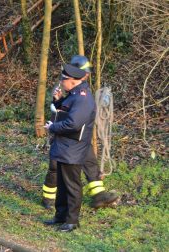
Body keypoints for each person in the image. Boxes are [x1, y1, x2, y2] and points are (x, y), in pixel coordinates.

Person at [41, 56, 118, 209]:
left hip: (80, 138)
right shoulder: (69, 84)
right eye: (85, 72)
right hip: (65, 137)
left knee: (90, 163)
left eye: (88, 73)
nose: (87, 75)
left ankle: (98, 195)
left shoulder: (81, 89)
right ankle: (49, 198)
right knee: (56, 166)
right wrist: (57, 101)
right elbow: (62, 113)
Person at [43, 62, 96, 232]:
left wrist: (52, 127)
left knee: (72, 185)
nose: (61, 82)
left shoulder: (82, 98)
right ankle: (60, 216)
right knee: (63, 184)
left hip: (73, 149)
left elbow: (73, 123)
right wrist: (57, 101)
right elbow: (64, 111)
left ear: (73, 81)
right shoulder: (73, 94)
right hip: (64, 147)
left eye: (63, 79)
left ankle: (72, 221)